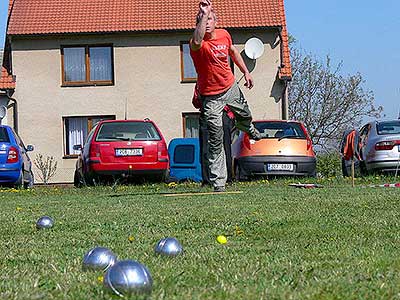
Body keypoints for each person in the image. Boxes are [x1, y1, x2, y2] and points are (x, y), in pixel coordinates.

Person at [190, 0, 265, 192]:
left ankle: (247, 126)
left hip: (230, 87)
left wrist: (246, 71)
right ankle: (219, 182)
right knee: (216, 139)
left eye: (210, 19)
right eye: (202, 20)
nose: (206, 22)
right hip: (211, 98)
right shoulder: (196, 44)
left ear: (216, 21)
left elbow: (233, 52)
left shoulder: (224, 35)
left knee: (245, 115)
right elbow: (198, 40)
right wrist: (204, 13)